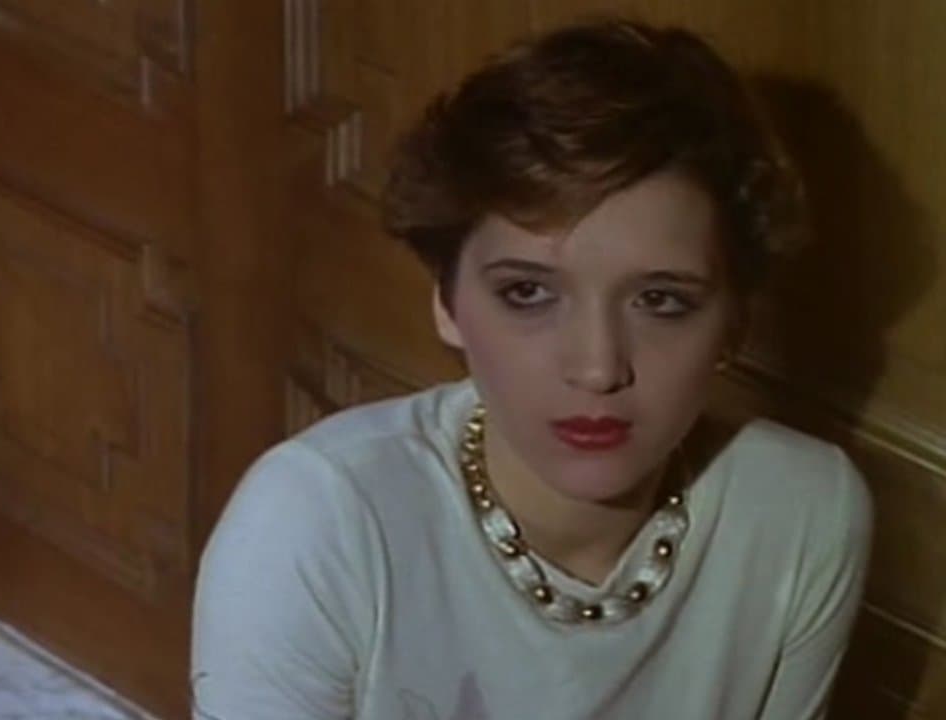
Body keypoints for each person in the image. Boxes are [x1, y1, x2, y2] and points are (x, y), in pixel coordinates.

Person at [191, 18, 872, 720]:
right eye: (528, 293)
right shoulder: (317, 523)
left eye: (661, 301)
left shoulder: (801, 512)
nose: (598, 369)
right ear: (448, 302)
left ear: (732, 324)